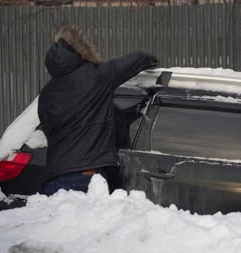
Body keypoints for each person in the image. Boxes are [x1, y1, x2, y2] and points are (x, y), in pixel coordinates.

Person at [38, 24, 158, 196]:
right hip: (85, 177)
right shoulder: (97, 76)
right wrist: (153, 62)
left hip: (52, 180)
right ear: (82, 52)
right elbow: (140, 58)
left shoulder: (46, 94)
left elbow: (49, 130)